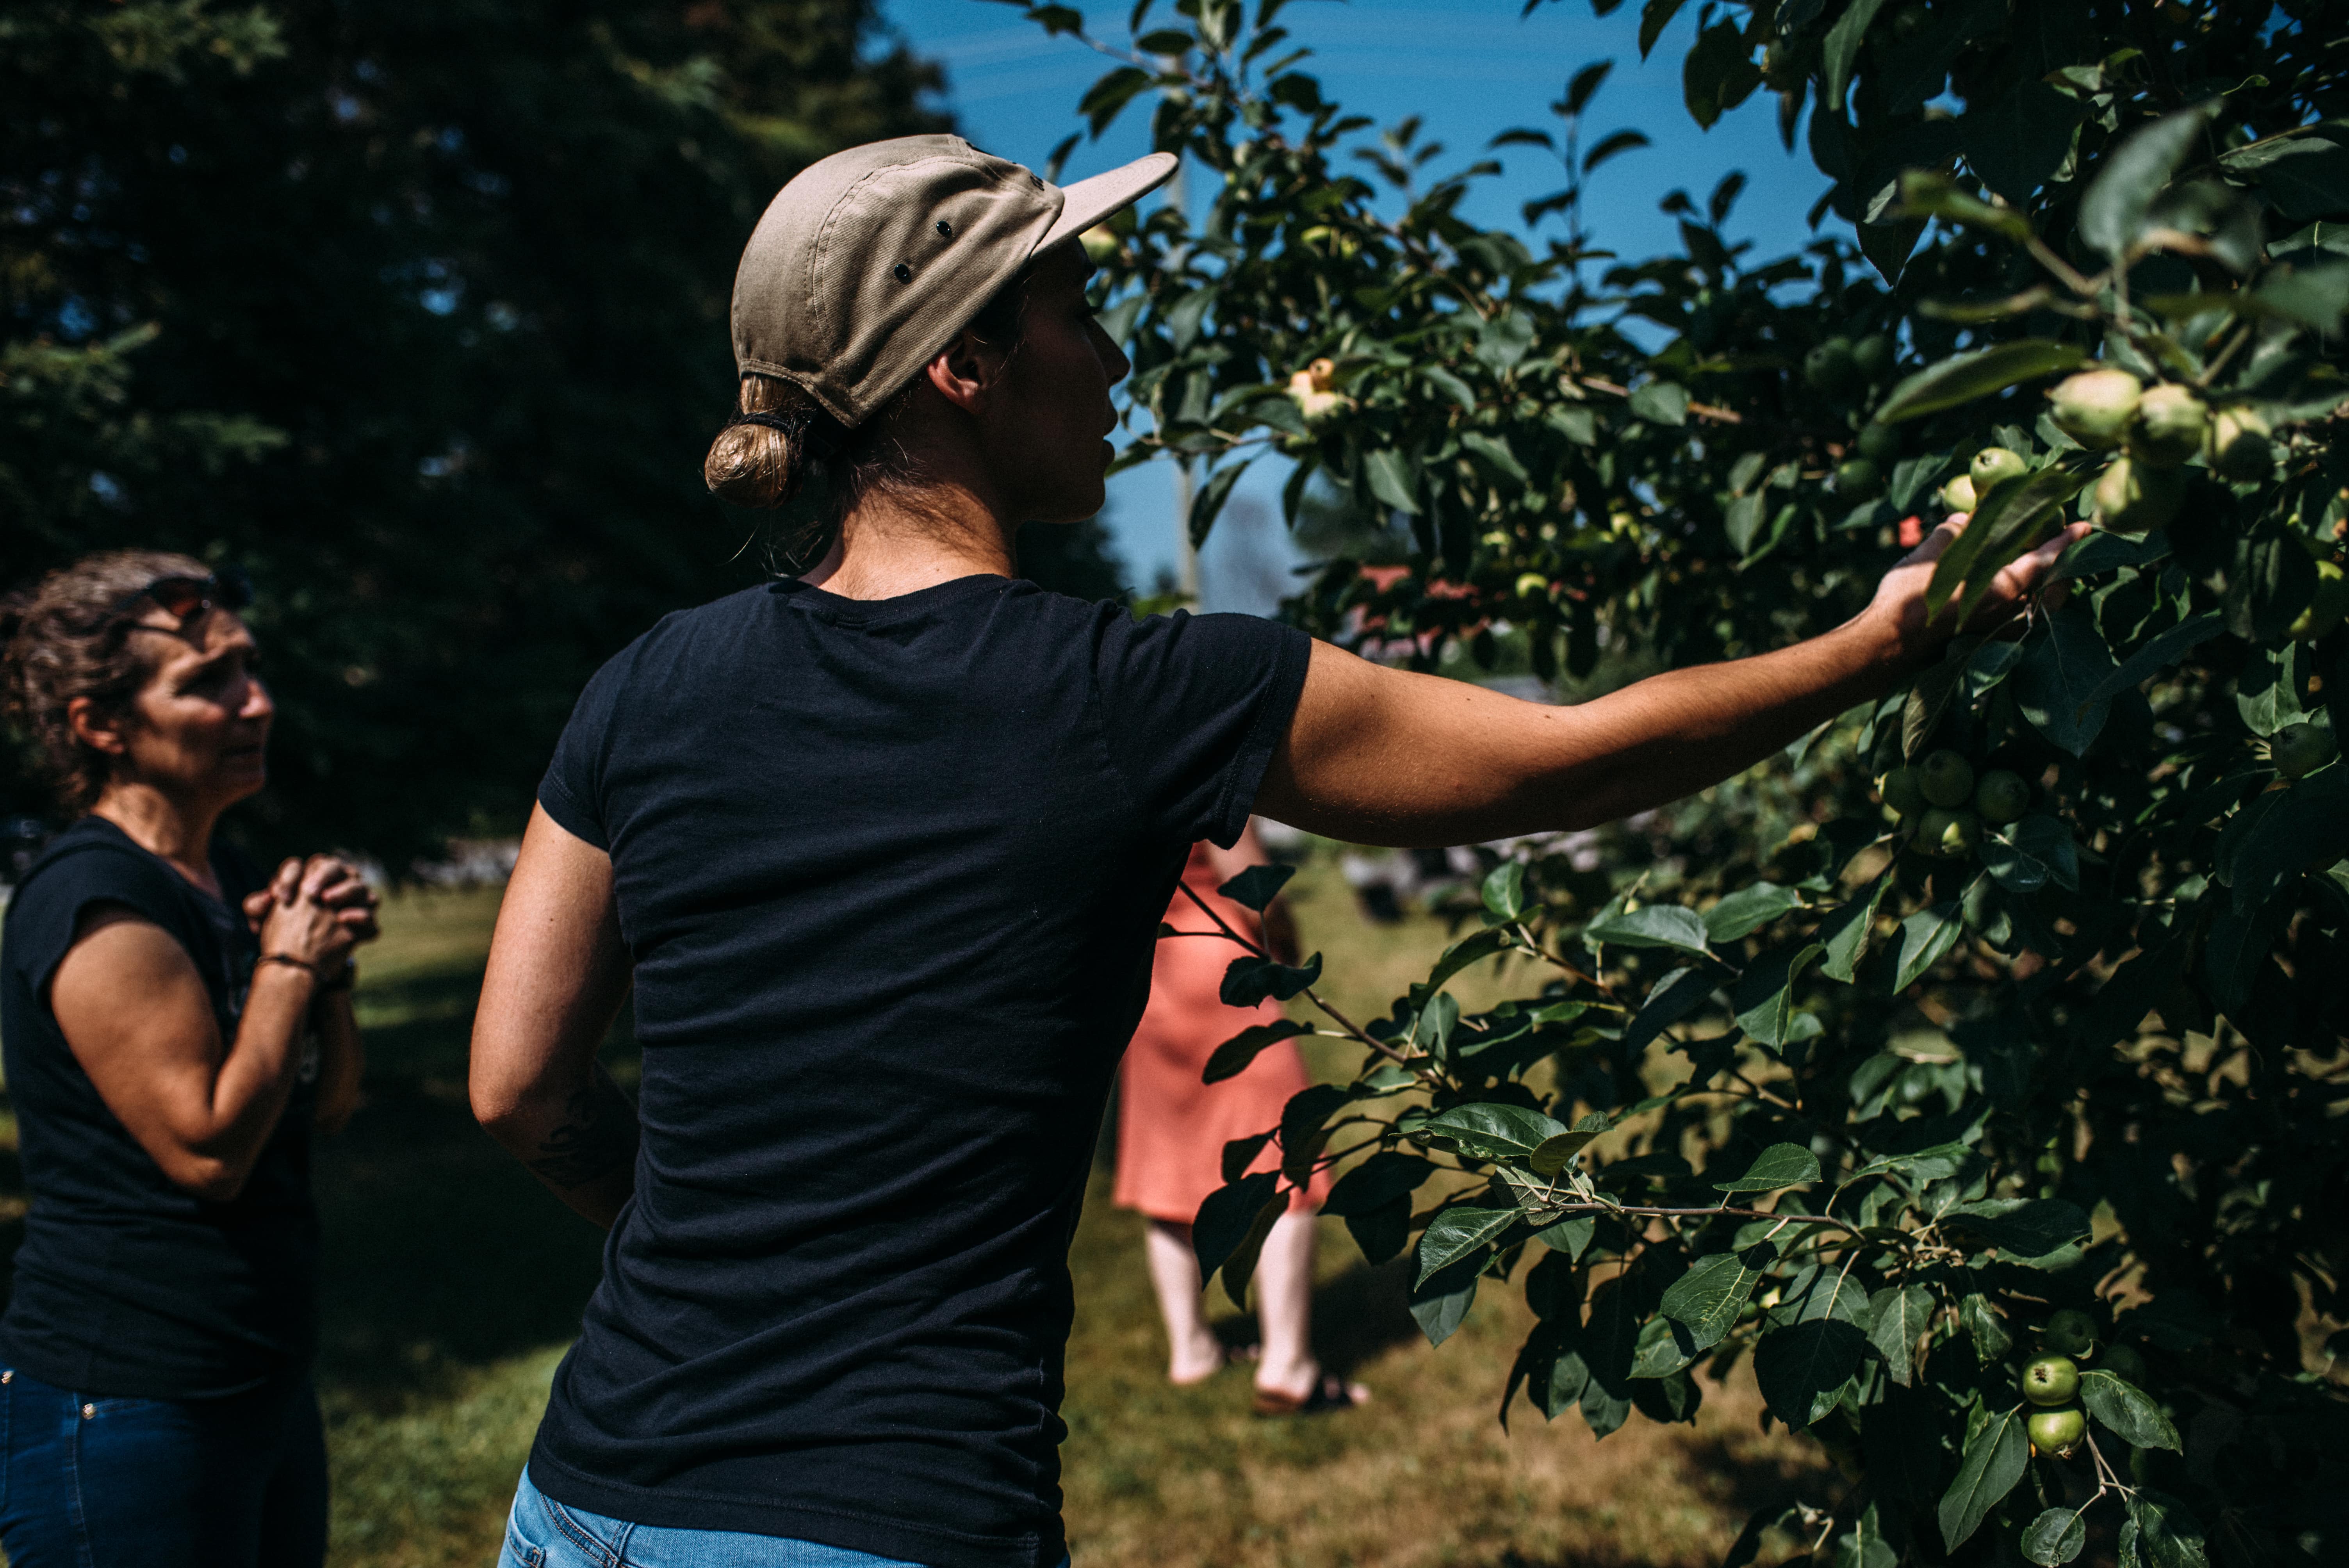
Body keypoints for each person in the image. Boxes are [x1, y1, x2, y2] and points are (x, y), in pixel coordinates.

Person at [470, 133, 2080, 1568]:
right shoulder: (1133, 692)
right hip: (882, 1509)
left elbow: (515, 1086)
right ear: (965, 359)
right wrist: (1887, 641)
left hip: (584, 1493)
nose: (1114, 357)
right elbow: (1574, 757)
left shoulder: (645, 684)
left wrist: (692, 1242)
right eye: (1079, 309)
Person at [0, 552, 379, 1568]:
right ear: (100, 726)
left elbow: (328, 1104)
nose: (254, 702)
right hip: (129, 1403)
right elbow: (208, 1149)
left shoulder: (227, 876)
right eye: (207, 682)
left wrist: (326, 969)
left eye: (249, 668)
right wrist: (289, 965)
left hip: (255, 1383)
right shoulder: (99, 905)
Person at [1112, 824, 1360, 1415]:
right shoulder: (1198, 759)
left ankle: (1191, 1349)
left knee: (1168, 1167)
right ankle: (1289, 1365)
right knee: (1288, 1161)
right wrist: (1289, 947)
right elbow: (1255, 887)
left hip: (1150, 981)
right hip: (1220, 976)